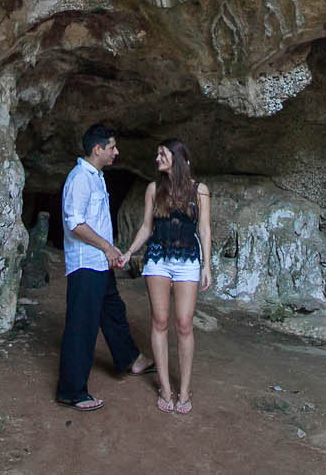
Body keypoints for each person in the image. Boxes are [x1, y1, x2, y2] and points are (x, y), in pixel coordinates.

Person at [55, 123, 150, 410]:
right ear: (98, 149)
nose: (116, 152)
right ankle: (71, 391)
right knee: (81, 326)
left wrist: (112, 251)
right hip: (85, 264)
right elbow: (75, 224)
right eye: (112, 147)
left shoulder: (96, 177)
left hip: (100, 262)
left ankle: (130, 359)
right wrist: (107, 248)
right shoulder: (79, 179)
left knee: (113, 311)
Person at [122, 138, 212, 415]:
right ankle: (165, 387)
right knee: (160, 321)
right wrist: (129, 252)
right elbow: (147, 227)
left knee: (184, 324)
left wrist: (207, 265)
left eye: (162, 154)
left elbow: (205, 230)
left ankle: (184, 389)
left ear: (176, 157)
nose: (156, 158)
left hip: (187, 259)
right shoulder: (153, 188)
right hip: (158, 259)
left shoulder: (200, 190)